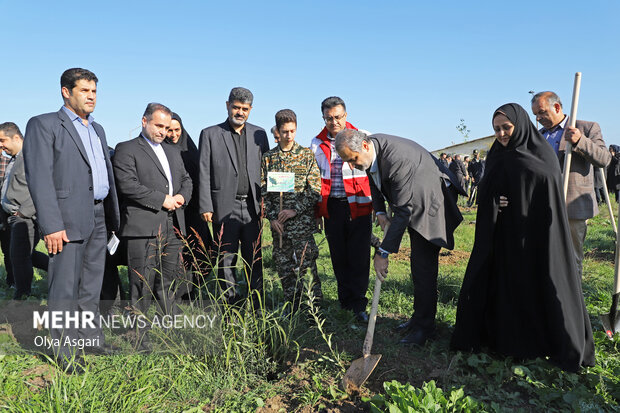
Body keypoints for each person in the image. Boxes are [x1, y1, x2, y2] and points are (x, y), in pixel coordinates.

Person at [451, 103, 595, 372]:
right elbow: (486, 191)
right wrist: (495, 201)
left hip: (535, 235)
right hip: (505, 234)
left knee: (537, 284)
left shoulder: (540, 153)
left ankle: (540, 341)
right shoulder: (496, 154)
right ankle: (507, 340)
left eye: (506, 127)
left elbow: (546, 190)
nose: (502, 134)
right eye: (497, 129)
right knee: (507, 284)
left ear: (520, 123)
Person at [24, 68, 120, 368]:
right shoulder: (44, 124)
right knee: (64, 288)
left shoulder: (98, 129)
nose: (91, 96)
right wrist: (51, 225)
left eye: (94, 91)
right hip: (65, 220)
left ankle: (89, 342)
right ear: (66, 91)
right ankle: (66, 354)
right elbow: (39, 178)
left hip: (99, 216)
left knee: (91, 286)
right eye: (84, 90)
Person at [335, 130, 465, 345]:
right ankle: (418, 319)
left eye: (353, 159)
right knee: (417, 265)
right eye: (347, 161)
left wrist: (383, 252)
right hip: (415, 199)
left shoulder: (396, 158)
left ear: (364, 146)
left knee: (423, 266)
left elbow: (404, 210)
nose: (351, 165)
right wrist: (379, 212)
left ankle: (425, 328)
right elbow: (373, 178)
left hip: (432, 202)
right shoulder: (370, 153)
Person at [113, 103, 192, 315]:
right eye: (158, 126)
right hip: (143, 228)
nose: (163, 132)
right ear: (144, 121)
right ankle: (139, 332)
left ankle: (168, 324)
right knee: (141, 283)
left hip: (173, 225)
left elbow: (186, 179)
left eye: (166, 128)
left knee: (168, 278)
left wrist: (182, 196)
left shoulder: (172, 151)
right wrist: (162, 199)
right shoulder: (126, 149)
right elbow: (127, 185)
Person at [198, 87, 269, 305]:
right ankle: (231, 306)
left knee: (254, 258)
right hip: (223, 206)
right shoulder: (210, 134)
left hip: (252, 207)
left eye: (244, 109)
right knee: (226, 259)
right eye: (236, 107)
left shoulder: (260, 134)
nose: (240, 112)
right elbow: (204, 171)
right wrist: (205, 205)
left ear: (251, 109)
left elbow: (267, 170)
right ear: (227, 105)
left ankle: (257, 305)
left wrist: (267, 201)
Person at [531, 91, 610, 277]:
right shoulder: (538, 136)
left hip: (572, 206)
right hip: (543, 205)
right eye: (535, 115)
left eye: (542, 112)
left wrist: (580, 141)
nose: (539, 118)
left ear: (556, 107)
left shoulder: (586, 127)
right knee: (545, 254)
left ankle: (571, 301)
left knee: (571, 258)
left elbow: (604, 159)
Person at [311, 97, 373, 322]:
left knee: (359, 255)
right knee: (338, 255)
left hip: (359, 204)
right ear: (323, 118)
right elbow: (315, 179)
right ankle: (344, 300)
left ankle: (358, 304)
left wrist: (378, 205)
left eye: (338, 117)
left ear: (345, 116)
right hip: (333, 206)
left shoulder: (363, 136)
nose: (334, 122)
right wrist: (318, 212)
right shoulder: (316, 144)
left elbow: (371, 171)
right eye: (329, 118)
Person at [261, 109, 322, 310]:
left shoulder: (306, 156)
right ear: (278, 130)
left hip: (301, 226)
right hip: (280, 227)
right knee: (285, 268)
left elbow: (314, 189)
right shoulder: (269, 158)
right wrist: (272, 218)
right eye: (285, 131)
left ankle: (314, 309)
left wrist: (294, 210)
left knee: (307, 267)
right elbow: (264, 192)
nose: (289, 136)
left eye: (293, 131)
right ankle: (293, 307)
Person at [165, 112, 213, 293]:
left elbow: (202, 178)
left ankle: (194, 288)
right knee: (175, 255)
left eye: (177, 130)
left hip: (193, 211)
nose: (174, 134)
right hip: (171, 212)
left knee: (203, 251)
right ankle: (176, 292)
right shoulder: (159, 151)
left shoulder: (191, 151)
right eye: (169, 130)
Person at [0, 122, 49, 299]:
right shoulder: (14, 158)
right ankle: (59, 271)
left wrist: (23, 212)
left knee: (20, 257)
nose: (0, 145)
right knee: (24, 254)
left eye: (2, 140)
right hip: (12, 216)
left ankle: (22, 297)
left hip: (25, 218)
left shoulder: (31, 156)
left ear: (16, 137)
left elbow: (42, 187)